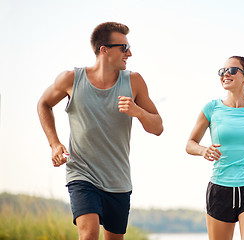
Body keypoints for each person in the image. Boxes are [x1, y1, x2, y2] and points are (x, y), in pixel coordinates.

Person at [37, 22, 163, 240]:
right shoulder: (71, 79)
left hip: (118, 180)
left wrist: (138, 112)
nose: (130, 53)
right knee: (88, 235)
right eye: (124, 47)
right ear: (104, 50)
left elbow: (158, 127)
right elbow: (43, 104)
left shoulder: (134, 82)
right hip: (82, 174)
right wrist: (54, 143)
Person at [186, 56, 244, 240]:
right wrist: (204, 150)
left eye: (232, 70)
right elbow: (190, 144)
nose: (225, 74)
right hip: (220, 189)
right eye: (223, 71)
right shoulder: (212, 108)